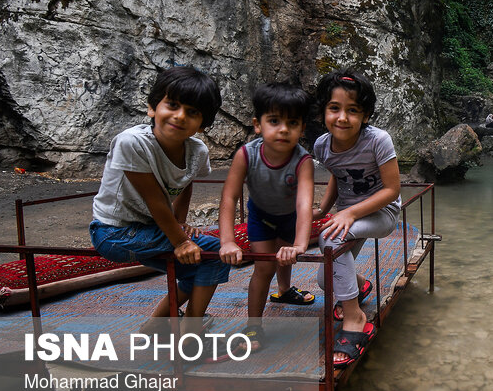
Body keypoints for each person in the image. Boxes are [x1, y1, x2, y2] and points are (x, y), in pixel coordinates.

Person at [89, 66, 228, 334]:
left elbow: (185, 183)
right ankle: (191, 331)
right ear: (153, 108)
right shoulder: (132, 143)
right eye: (172, 105)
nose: (180, 116)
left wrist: (181, 224)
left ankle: (155, 325)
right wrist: (180, 240)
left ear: (203, 123)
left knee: (195, 267)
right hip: (114, 232)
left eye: (193, 112)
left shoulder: (197, 151)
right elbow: (155, 201)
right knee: (213, 252)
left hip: (150, 228)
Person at [312, 70, 401, 368]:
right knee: (327, 280)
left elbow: (392, 190)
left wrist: (349, 213)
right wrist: (325, 210)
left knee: (330, 238)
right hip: (347, 215)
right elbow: (338, 178)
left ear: (365, 116)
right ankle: (360, 287)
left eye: (353, 111)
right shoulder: (322, 146)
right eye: (334, 108)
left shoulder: (378, 140)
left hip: (380, 213)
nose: (342, 117)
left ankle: (355, 319)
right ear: (324, 110)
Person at [218, 83, 315, 352]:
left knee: (286, 256)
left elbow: (304, 202)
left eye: (292, 122)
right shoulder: (246, 155)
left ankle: (285, 291)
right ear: (258, 125)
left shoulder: (303, 160)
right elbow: (229, 197)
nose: (283, 129)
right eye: (274, 121)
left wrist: (299, 243)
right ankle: (253, 325)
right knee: (264, 268)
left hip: (289, 216)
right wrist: (227, 241)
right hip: (260, 216)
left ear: (302, 129)